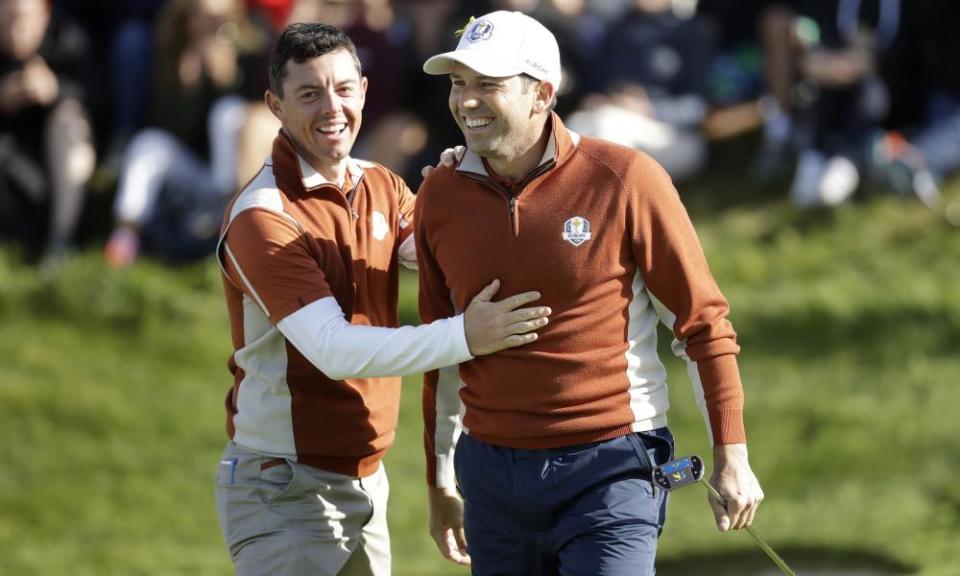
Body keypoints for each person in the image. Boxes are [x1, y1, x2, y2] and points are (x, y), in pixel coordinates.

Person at [416, 10, 764, 575]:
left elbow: (702, 324)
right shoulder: (438, 195)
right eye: (458, 83)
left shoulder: (625, 178)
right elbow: (441, 351)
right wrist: (439, 483)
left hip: (613, 467)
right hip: (491, 476)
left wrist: (733, 456)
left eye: (488, 85)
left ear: (542, 94)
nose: (466, 101)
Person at [213, 22, 551, 576]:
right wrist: (467, 336)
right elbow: (333, 349)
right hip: (283, 486)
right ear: (274, 105)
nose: (332, 108)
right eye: (309, 94)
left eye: (344, 89)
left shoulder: (380, 184)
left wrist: (466, 185)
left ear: (365, 92)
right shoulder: (261, 217)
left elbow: (458, 260)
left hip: (366, 478)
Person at [0, 0, 96, 268]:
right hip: (10, 173)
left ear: (44, 15)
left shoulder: (69, 39)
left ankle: (59, 241)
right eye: (7, 19)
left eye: (23, 20)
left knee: (70, 122)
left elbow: (98, 102)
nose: (16, 30)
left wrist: (56, 90)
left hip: (59, 177)